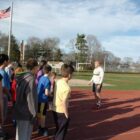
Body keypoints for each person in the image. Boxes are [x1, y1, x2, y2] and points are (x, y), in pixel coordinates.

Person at [14, 58, 38, 140]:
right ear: (34, 67)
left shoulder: (22, 76)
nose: (38, 70)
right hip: (26, 113)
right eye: (37, 68)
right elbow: (31, 98)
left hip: (19, 110)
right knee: (24, 136)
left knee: (19, 135)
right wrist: (34, 114)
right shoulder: (30, 79)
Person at [52, 64, 74, 140]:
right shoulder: (67, 88)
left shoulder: (58, 81)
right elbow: (64, 102)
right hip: (61, 111)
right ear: (69, 75)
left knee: (58, 129)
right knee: (61, 132)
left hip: (55, 109)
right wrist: (66, 114)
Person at [37, 64, 52, 136]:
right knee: (43, 115)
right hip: (43, 99)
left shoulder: (41, 78)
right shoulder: (47, 80)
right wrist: (51, 95)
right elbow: (46, 93)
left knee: (39, 114)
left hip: (38, 98)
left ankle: (39, 127)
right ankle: (42, 128)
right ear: (49, 72)